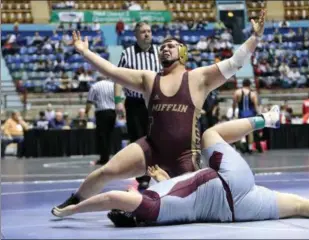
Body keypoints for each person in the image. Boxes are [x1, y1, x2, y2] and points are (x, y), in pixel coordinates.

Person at [52, 10, 267, 218]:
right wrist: (85, 52)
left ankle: (136, 211)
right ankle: (74, 200)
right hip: (151, 147)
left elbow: (235, 63)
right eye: (163, 46)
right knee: (106, 171)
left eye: (171, 46)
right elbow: (112, 72)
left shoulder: (198, 78)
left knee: (188, 203)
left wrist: (255, 37)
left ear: (183, 53)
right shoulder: (149, 79)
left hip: (185, 156)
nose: (165, 48)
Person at [52, 106, 309, 226]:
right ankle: (268, 119)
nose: (131, 189)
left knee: (301, 206)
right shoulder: (148, 204)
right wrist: (69, 211)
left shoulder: (157, 204)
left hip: (238, 211)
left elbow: (174, 187)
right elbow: (112, 199)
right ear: (131, 212)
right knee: (210, 133)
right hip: (227, 181)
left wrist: (157, 179)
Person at [114, 22, 161, 190]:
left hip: (156, 102)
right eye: (143, 32)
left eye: (149, 31)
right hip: (135, 104)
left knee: (158, 137)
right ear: (136, 35)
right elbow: (118, 77)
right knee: (138, 139)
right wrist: (118, 101)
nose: (147, 34)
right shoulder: (127, 54)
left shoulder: (160, 53)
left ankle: (160, 171)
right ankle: (143, 176)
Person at [86, 76, 116, 165]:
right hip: (112, 112)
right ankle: (108, 157)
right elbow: (119, 98)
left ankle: (104, 159)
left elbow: (89, 101)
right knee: (109, 135)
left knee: (102, 136)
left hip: (101, 113)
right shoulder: (113, 85)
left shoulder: (95, 86)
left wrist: (86, 112)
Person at [232, 79, 261, 153]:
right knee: (250, 132)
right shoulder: (253, 94)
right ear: (249, 85)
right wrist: (259, 114)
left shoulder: (237, 92)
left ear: (242, 84)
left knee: (241, 131)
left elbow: (234, 104)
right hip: (251, 114)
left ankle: (242, 147)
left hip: (241, 114)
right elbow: (256, 106)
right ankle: (250, 148)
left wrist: (233, 112)